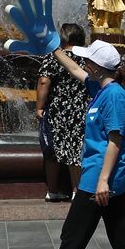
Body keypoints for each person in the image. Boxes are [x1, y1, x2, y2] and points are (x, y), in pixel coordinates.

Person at [10, 40, 125, 249]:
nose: (84, 63)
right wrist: (54, 48)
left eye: (88, 60)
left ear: (98, 67)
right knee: (120, 232)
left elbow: (115, 139)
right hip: (100, 174)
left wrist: (102, 181)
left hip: (99, 176)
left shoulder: (113, 96)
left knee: (74, 234)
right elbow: (76, 71)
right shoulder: (102, 87)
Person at [36, 23, 89, 201]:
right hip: (80, 109)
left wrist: (39, 107)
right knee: (76, 148)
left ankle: (52, 191)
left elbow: (44, 82)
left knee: (51, 150)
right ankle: (77, 190)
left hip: (57, 110)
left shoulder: (54, 57)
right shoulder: (87, 58)